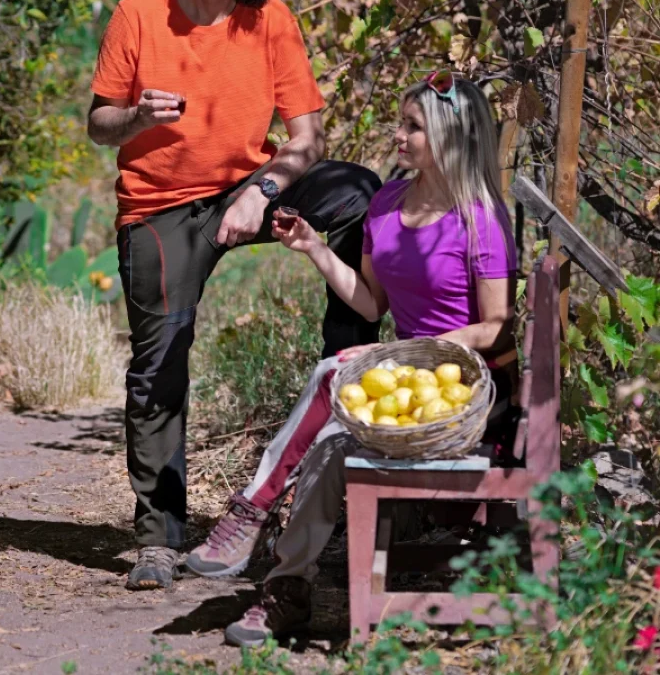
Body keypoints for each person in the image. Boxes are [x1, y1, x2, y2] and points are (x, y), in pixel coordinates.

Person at [86, 0, 383, 591]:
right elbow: (99, 124)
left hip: (251, 184)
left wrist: (262, 190)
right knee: (160, 360)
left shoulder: (269, 20)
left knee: (360, 194)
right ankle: (159, 537)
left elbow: (307, 139)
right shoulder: (138, 13)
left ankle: (339, 368)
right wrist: (134, 117)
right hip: (160, 204)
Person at [193, 74, 519, 647]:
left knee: (328, 373)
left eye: (412, 127)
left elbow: (496, 326)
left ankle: (249, 513)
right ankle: (285, 593)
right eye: (402, 122)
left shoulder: (481, 218)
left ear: (451, 135)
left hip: (466, 395)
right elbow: (371, 301)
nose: (398, 136)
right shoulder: (388, 204)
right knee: (324, 450)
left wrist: (406, 353)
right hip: (408, 391)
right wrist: (315, 246)